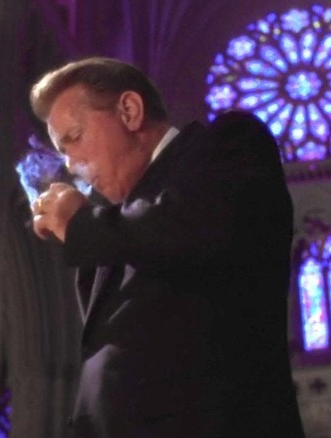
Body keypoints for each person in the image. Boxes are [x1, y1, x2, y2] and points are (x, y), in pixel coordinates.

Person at [29, 57, 304, 437]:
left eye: (74, 139)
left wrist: (81, 225)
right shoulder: (111, 220)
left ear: (129, 110)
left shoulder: (229, 144)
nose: (72, 166)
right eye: (61, 153)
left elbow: (195, 228)